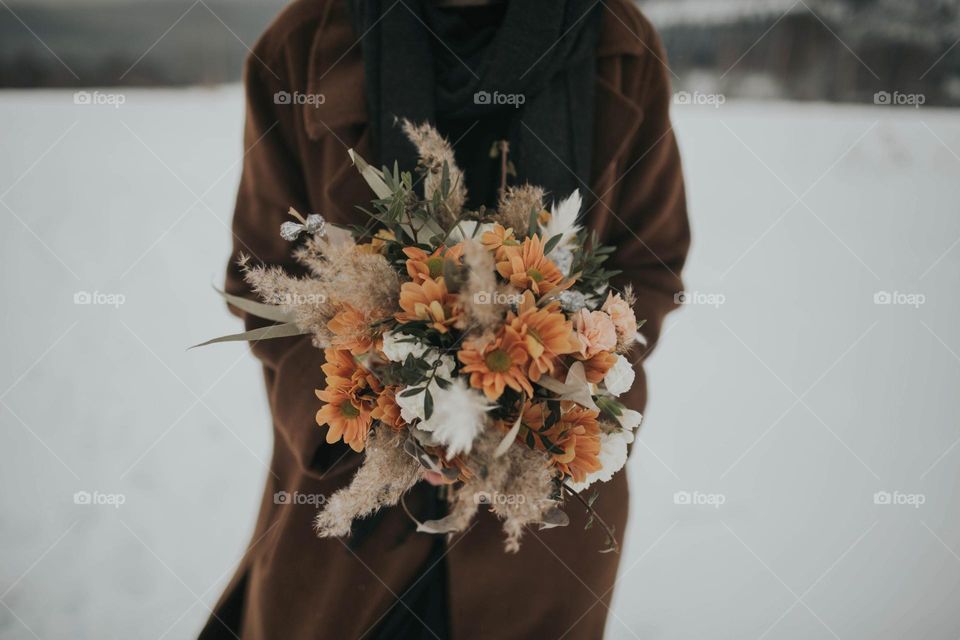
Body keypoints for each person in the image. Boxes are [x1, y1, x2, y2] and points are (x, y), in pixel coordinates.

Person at [200, 0, 689, 638]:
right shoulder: (301, 44)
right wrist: (379, 408)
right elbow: (261, 272)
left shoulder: (619, 44)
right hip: (354, 524)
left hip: (537, 528)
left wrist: (557, 378)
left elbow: (650, 263)